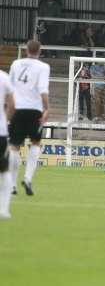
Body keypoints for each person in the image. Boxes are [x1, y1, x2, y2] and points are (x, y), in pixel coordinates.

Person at [8, 40, 50, 196]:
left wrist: (9, 109)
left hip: (18, 108)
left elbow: (10, 89)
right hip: (35, 110)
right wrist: (47, 108)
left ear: (26, 50)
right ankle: (27, 178)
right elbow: (43, 90)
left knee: (14, 146)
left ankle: (12, 185)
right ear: (39, 51)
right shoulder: (43, 67)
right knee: (36, 143)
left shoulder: (15, 64)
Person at [0, 70, 15, 219]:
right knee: (4, 170)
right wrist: (6, 121)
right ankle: (4, 210)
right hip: (1, 131)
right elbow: (12, 104)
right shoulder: (4, 77)